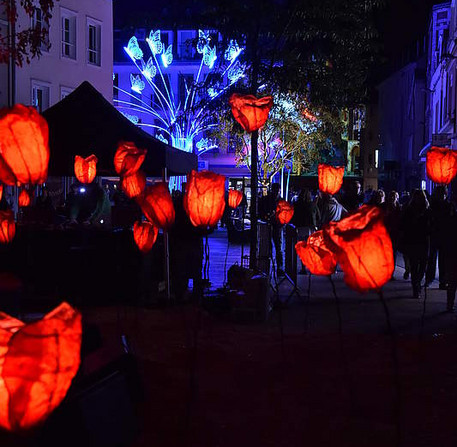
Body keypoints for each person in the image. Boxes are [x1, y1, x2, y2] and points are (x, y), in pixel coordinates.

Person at [400, 189, 431, 299]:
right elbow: (403, 224)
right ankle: (415, 287)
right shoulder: (409, 210)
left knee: (423, 265)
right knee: (414, 266)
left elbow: (430, 225)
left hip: (423, 240)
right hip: (413, 240)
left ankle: (418, 283)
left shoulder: (427, 210)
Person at [425, 185, 454, 289]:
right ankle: (430, 279)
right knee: (432, 259)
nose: (441, 195)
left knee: (442, 260)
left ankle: (442, 280)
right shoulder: (433, 205)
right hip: (435, 234)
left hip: (444, 235)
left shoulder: (449, 205)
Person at [292, 188, 320, 274]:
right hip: (311, 228)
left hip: (300, 228)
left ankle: (303, 268)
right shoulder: (313, 205)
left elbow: (293, 217)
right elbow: (318, 217)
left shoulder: (297, 205)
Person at [259, 183, 284, 276]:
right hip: (270, 225)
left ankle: (279, 267)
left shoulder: (278, 201)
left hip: (277, 226)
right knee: (270, 246)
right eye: (275, 190)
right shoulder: (268, 200)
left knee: (277, 247)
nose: (276, 192)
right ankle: (270, 267)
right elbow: (261, 211)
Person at [384, 191, 402, 280]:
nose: (392, 199)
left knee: (393, 253)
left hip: (395, 233)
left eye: (394, 197)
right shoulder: (385, 207)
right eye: (391, 197)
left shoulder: (399, 208)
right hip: (386, 233)